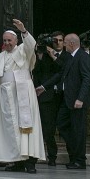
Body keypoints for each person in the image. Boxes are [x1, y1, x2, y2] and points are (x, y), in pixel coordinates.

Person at [0, 20, 45, 173]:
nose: (7, 43)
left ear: (16, 41)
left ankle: (30, 162)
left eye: (10, 40)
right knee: (10, 130)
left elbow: (31, 45)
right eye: (5, 40)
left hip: (24, 94)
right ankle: (16, 161)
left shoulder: (23, 51)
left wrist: (24, 31)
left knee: (27, 129)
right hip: (5, 98)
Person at [36, 33, 90, 170]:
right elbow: (60, 75)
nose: (63, 45)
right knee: (62, 124)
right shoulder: (71, 57)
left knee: (78, 131)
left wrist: (80, 98)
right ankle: (74, 155)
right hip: (68, 100)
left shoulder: (83, 57)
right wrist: (43, 87)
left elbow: (87, 78)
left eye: (65, 42)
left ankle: (79, 160)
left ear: (71, 44)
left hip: (77, 101)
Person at [32, 31, 67, 166]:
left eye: (60, 40)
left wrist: (53, 57)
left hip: (56, 97)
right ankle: (42, 156)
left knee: (54, 129)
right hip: (41, 96)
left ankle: (55, 156)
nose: (57, 43)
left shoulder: (65, 55)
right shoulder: (42, 55)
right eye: (55, 40)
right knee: (42, 128)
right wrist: (39, 56)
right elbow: (36, 72)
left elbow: (62, 71)